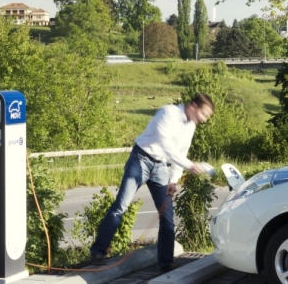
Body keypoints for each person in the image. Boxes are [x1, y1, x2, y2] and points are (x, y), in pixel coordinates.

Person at [89, 92, 215, 272]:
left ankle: (166, 263)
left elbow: (181, 151)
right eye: (203, 114)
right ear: (194, 106)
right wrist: (189, 166)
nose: (203, 119)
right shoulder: (168, 112)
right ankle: (98, 252)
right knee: (121, 206)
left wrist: (173, 180)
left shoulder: (191, 126)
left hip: (161, 166)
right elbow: (167, 145)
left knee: (168, 217)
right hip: (141, 158)